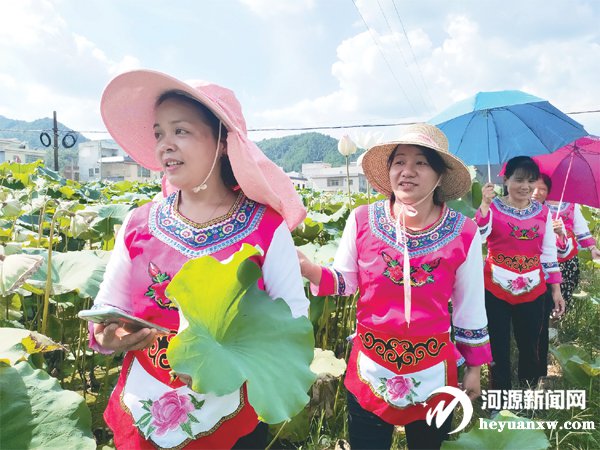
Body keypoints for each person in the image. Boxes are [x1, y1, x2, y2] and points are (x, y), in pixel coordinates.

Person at [87, 69, 309, 450]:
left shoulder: (266, 229)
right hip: (144, 409)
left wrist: (221, 364)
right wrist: (109, 335)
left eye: (181, 131)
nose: (165, 146)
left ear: (222, 142)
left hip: (232, 418)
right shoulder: (138, 224)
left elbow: (293, 326)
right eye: (159, 133)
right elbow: (106, 311)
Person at [298, 123, 492, 450]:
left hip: (433, 368)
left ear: (440, 176)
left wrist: (474, 367)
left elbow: (469, 306)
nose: (407, 171)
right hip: (371, 367)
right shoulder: (361, 219)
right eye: (399, 162)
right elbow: (344, 281)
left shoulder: (464, 232)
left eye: (421, 163)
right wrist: (309, 269)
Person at [477, 157, 565, 396]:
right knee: (498, 344)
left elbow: (548, 253)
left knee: (530, 343)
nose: (525, 186)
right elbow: (480, 237)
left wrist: (556, 290)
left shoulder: (543, 212)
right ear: (506, 180)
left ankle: (529, 392)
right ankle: (500, 398)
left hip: (533, 288)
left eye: (530, 181)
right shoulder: (493, 207)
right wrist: (484, 206)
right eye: (519, 180)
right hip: (495, 287)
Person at [532, 174, 600, 308]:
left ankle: (557, 320)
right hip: (543, 260)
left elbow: (581, 227)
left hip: (567, 260)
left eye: (542, 188)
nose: (537, 191)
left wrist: (592, 248)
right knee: (542, 301)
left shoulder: (571, 205)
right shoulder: (538, 204)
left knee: (562, 299)